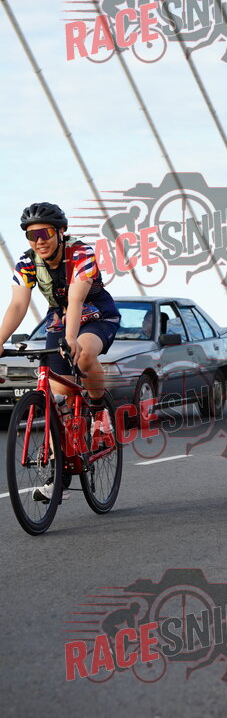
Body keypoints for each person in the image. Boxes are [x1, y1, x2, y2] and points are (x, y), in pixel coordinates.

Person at [0, 203, 121, 501]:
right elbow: (18, 305)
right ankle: (59, 475)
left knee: (85, 355)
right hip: (60, 320)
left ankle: (99, 410)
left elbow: (77, 299)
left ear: (60, 231)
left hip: (97, 315)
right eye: (32, 236)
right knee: (59, 396)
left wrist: (70, 339)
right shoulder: (27, 263)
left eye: (45, 233)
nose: (39, 240)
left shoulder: (81, 253)